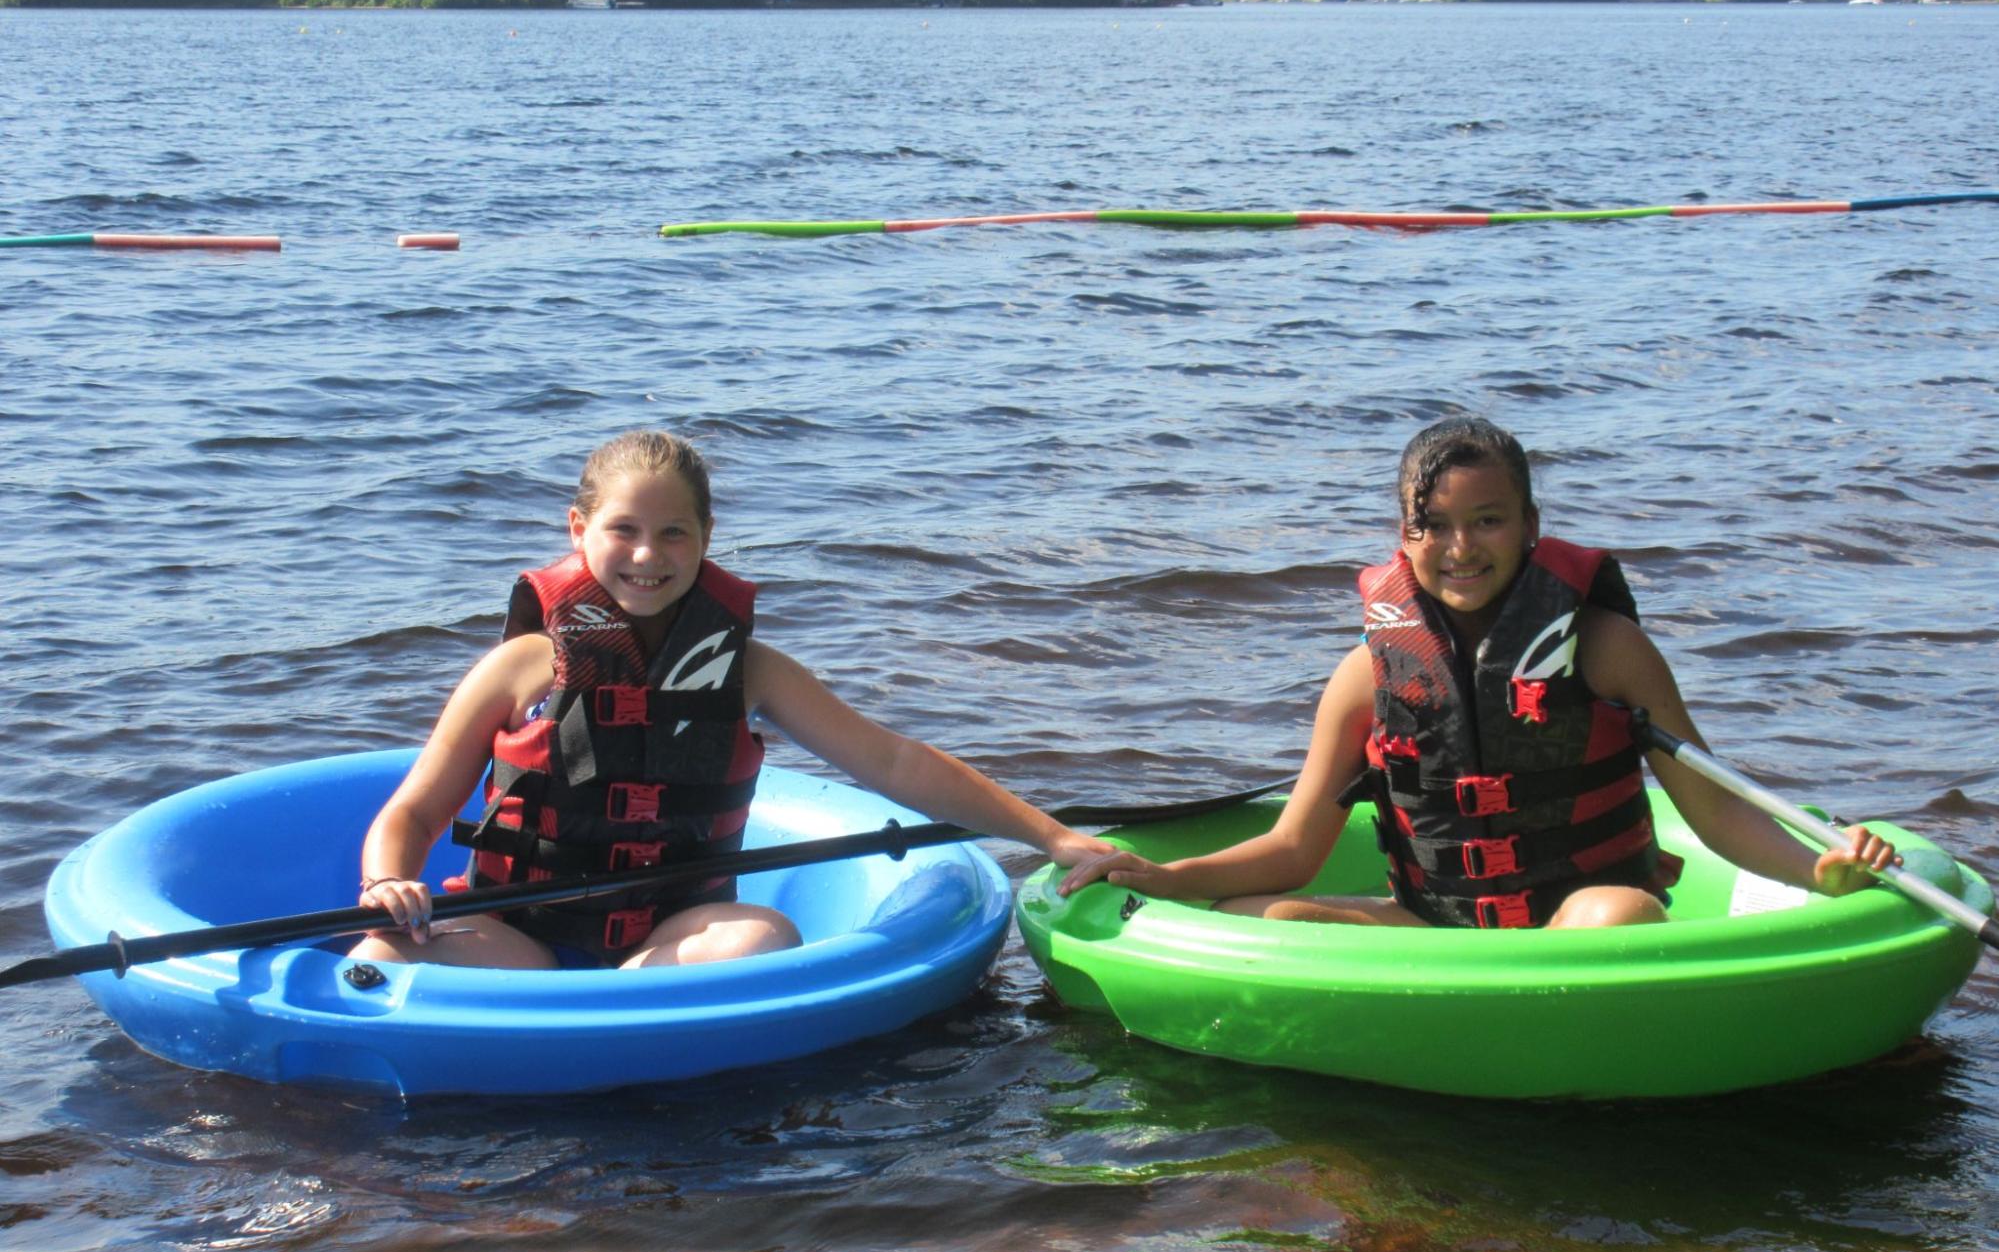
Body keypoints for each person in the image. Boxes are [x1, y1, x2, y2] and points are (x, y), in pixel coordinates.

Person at [1059, 416, 1897, 928]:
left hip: (1584, 917)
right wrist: (1164, 879)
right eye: (1435, 526)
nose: (1460, 549)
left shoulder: (1606, 648)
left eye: (1486, 521)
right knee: (1247, 915)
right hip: (1432, 928)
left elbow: (1714, 809)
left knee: (1614, 915)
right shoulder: (1366, 677)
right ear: (1403, 536)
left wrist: (1818, 870)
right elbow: (1292, 848)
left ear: (1531, 525)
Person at [355, 429, 1110, 970]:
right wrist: (387, 881)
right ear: (579, 530)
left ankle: (620, 1014)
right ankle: (603, 1021)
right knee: (382, 951)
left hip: (673, 936)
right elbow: (415, 812)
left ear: (706, 538)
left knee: (763, 934)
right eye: (624, 530)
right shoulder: (519, 666)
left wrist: (1051, 837)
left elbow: (894, 761)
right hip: (513, 932)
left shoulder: (753, 673)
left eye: (674, 533)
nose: (648, 556)